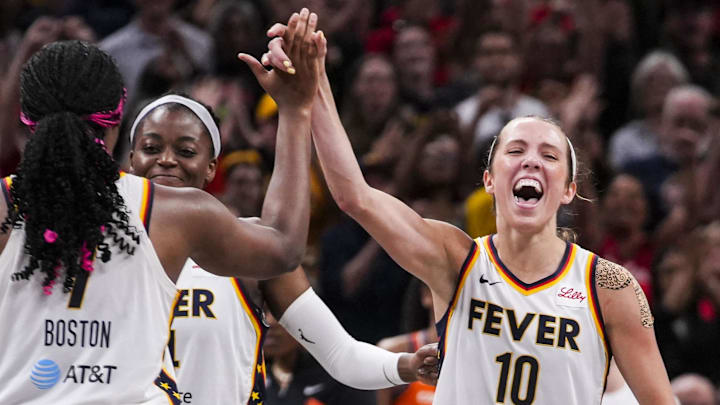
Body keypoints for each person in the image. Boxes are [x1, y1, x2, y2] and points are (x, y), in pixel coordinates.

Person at [263, 23, 675, 403]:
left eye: (548, 155)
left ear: (569, 190)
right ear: (490, 180)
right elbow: (355, 196)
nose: (531, 161)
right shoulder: (456, 257)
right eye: (515, 151)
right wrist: (314, 86)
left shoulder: (610, 286)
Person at [128, 10, 438, 405]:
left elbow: (341, 354)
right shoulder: (99, 248)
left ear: (211, 168)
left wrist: (406, 367)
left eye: (185, 150)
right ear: (130, 161)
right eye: (151, 148)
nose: (166, 160)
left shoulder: (250, 250)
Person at [0, 29, 316, 404]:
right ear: (116, 124)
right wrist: (295, 112)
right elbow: (284, 246)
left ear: (27, 121)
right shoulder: (172, 210)